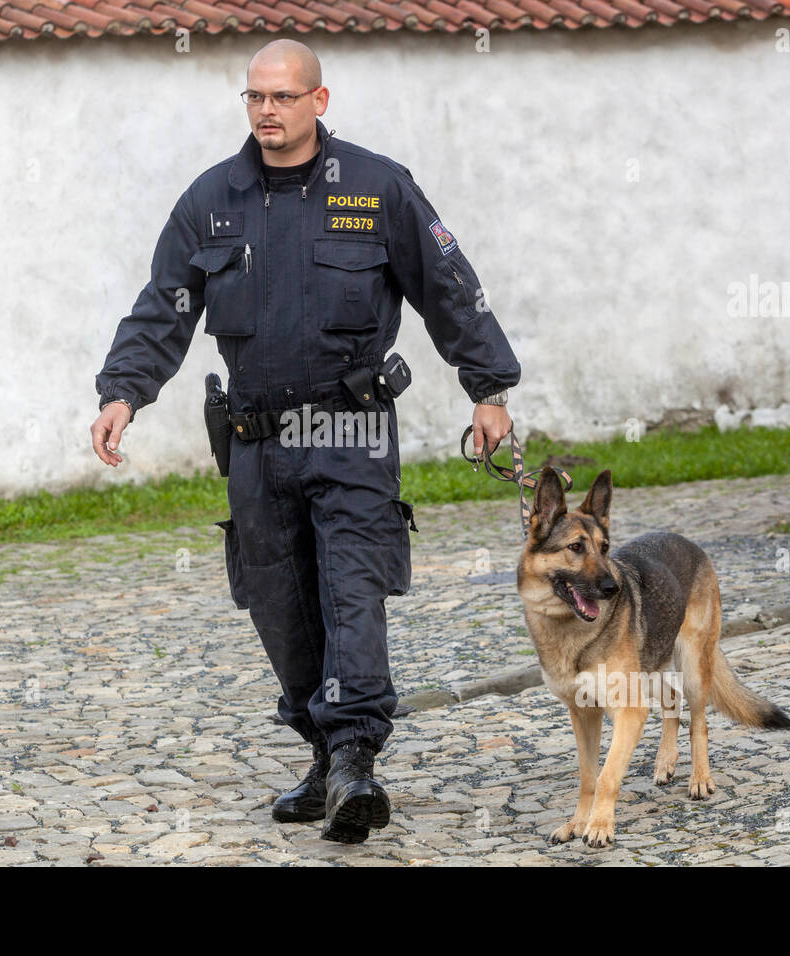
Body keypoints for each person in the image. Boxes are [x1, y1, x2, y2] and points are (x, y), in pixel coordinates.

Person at [91, 39, 520, 844]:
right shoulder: (211, 200)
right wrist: (123, 393)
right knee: (280, 606)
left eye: (283, 97)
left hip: (349, 429)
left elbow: (449, 290)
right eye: (254, 97)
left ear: (319, 102)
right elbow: (164, 305)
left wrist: (488, 390)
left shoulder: (376, 187)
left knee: (351, 589)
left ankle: (357, 757)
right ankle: (325, 755)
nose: (266, 111)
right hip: (256, 442)